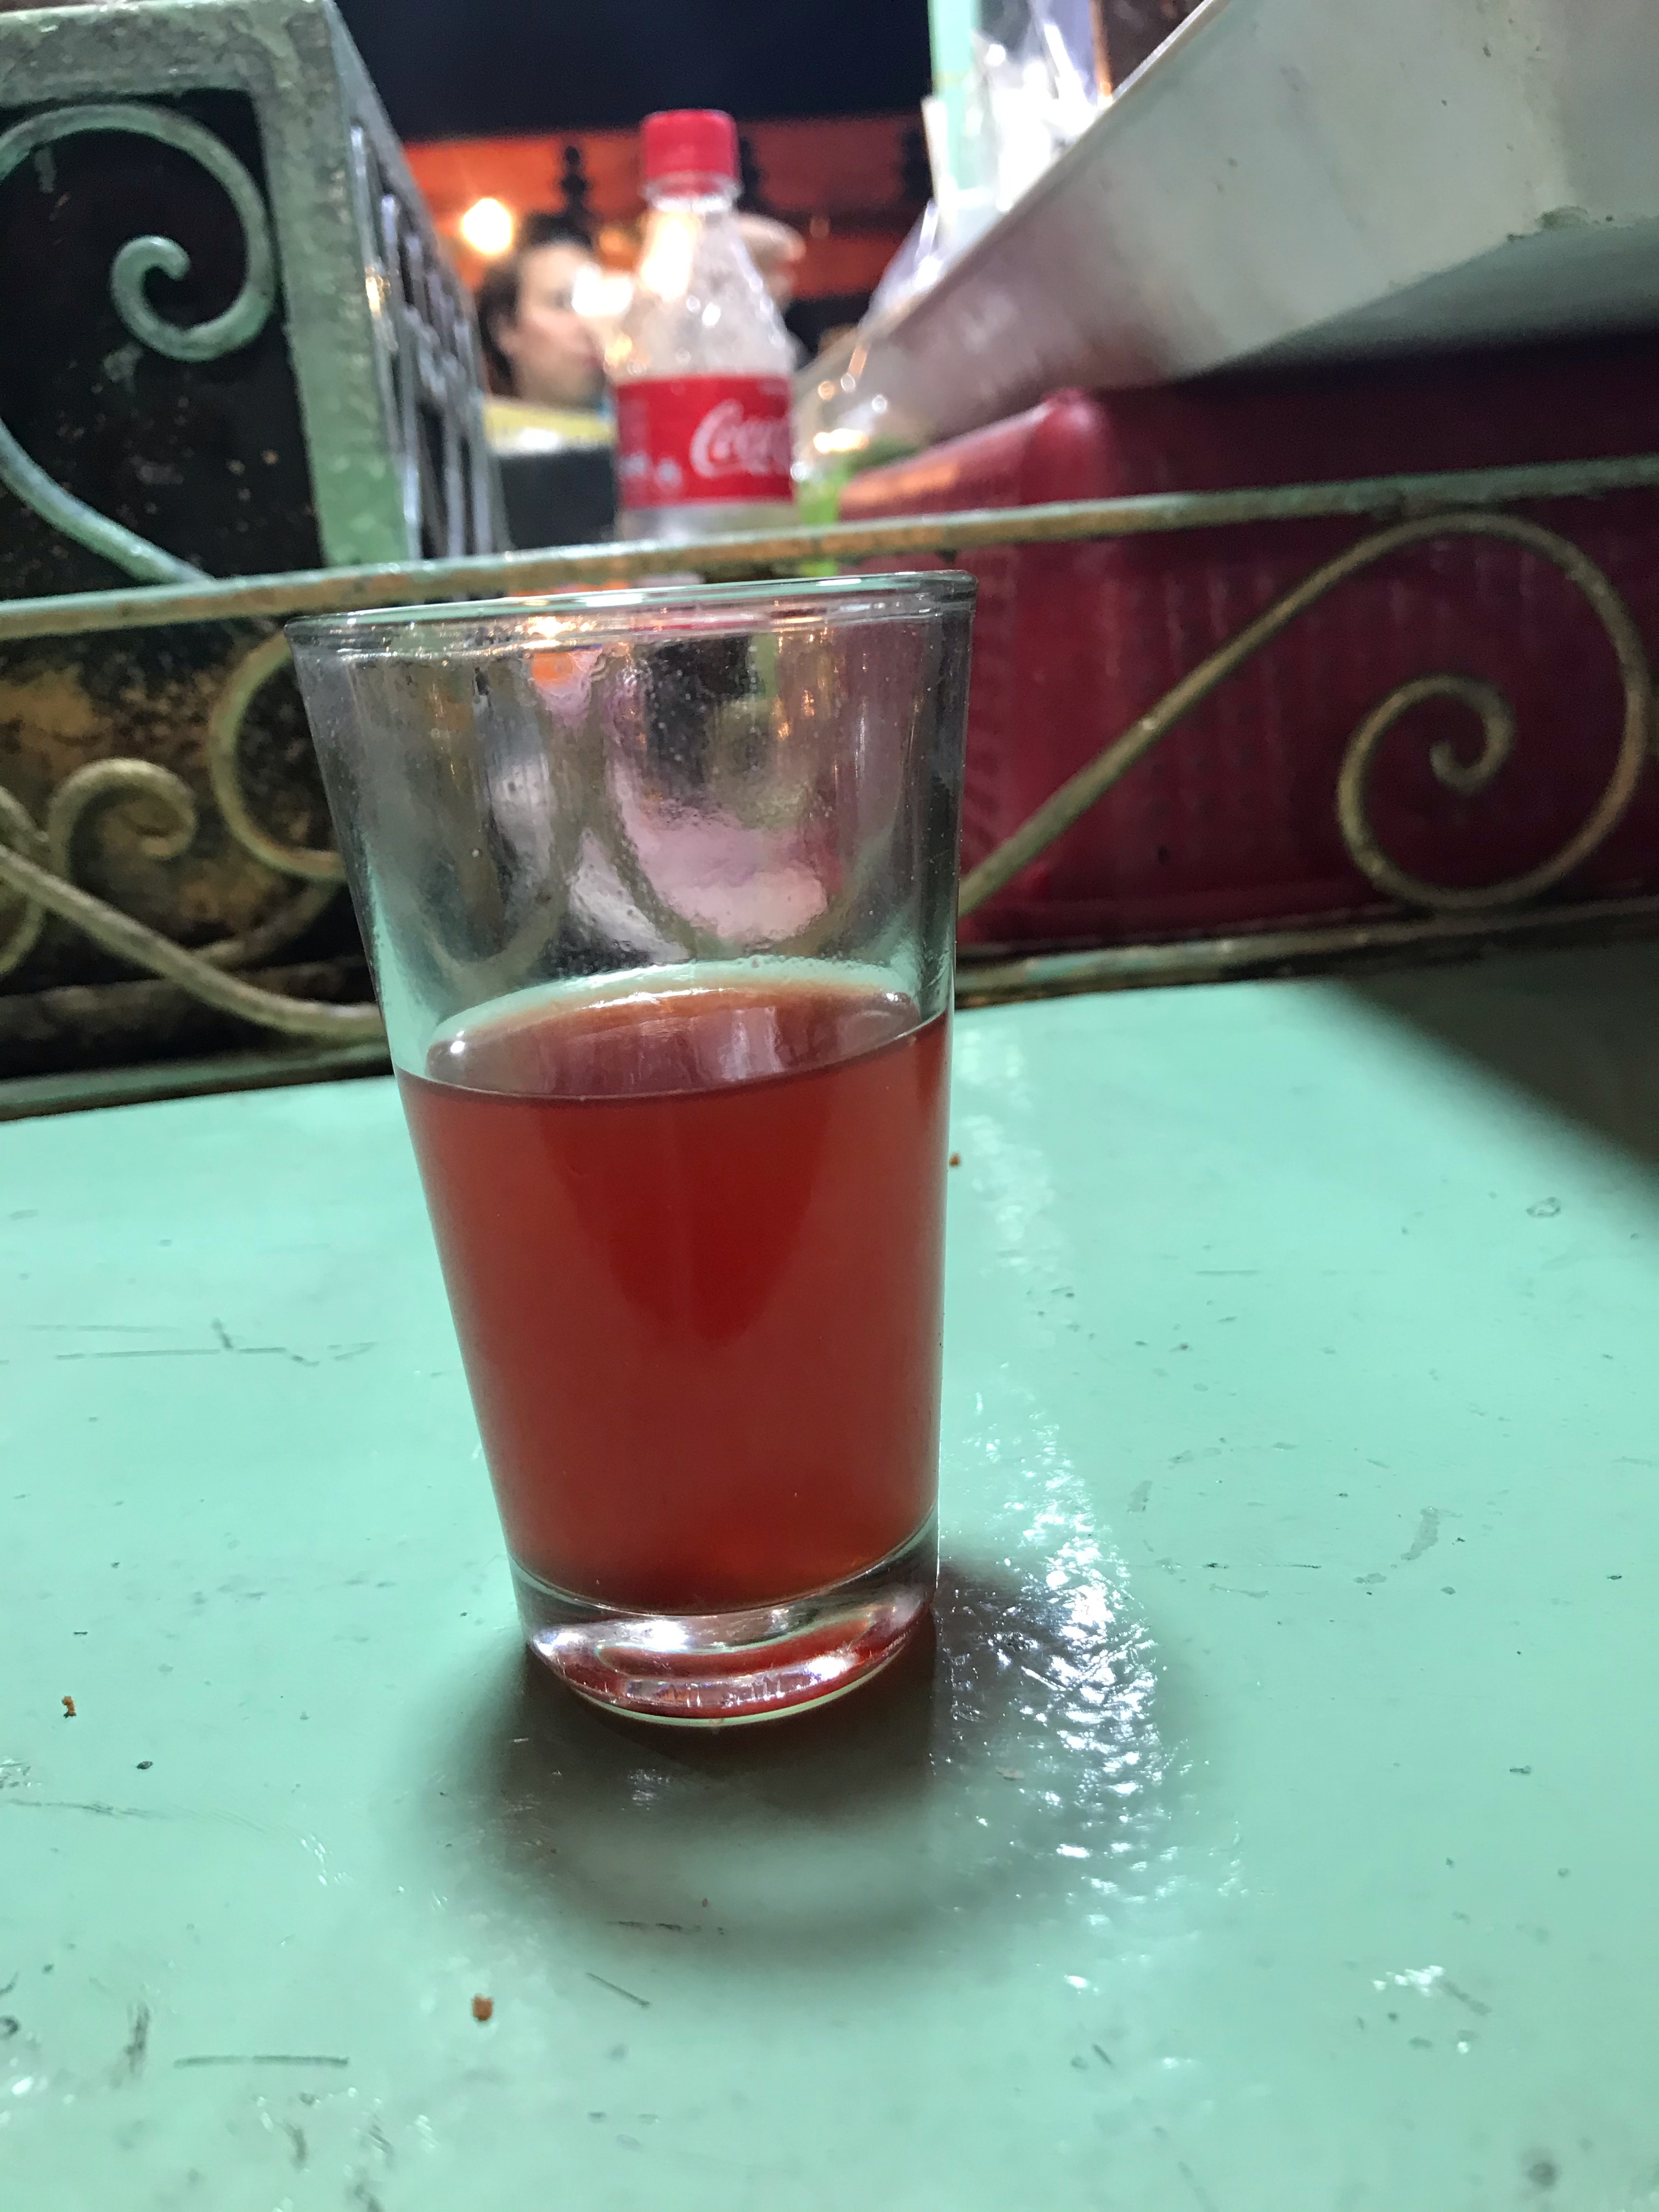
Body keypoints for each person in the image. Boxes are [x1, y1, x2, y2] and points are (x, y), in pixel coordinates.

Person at [475, 215, 606, 412]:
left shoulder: (641, 423)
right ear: (505, 330)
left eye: (598, 300)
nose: (590, 324)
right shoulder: (472, 428)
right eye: (562, 303)